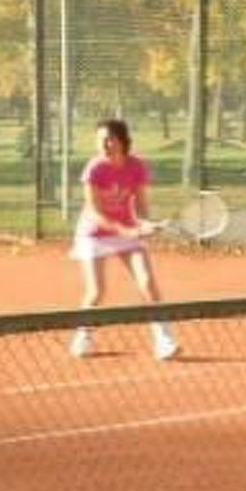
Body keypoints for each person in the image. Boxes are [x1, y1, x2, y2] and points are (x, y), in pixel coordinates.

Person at [68, 117, 179, 360]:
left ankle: (164, 340)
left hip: (127, 232)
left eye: (109, 139)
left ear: (122, 141)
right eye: (100, 140)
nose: (104, 145)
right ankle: (84, 336)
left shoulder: (137, 166)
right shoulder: (94, 169)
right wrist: (126, 231)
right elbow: (96, 213)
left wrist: (145, 223)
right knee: (96, 291)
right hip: (94, 234)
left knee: (147, 282)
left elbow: (140, 205)